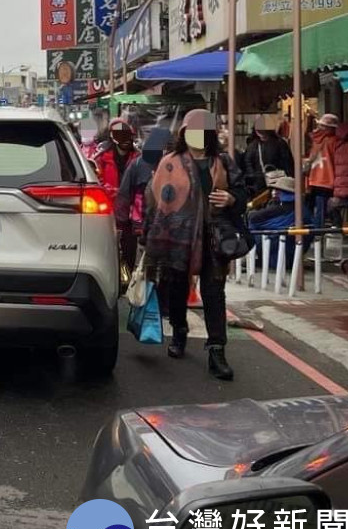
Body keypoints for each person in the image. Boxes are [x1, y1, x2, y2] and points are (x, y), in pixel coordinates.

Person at [143, 108, 249, 381]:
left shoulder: (223, 161)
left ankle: (217, 351)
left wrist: (231, 199)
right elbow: (154, 200)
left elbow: (242, 191)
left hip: (215, 237)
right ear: (184, 134)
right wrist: (148, 236)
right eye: (193, 131)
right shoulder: (170, 162)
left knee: (214, 293)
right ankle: (179, 331)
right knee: (177, 287)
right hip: (177, 237)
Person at [114, 127, 171, 278]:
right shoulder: (139, 164)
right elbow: (124, 195)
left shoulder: (138, 164)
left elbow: (124, 195)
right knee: (141, 264)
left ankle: (141, 291)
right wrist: (121, 223)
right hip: (142, 226)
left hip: (147, 225)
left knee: (145, 266)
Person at [242, 117, 294, 197]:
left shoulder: (252, 145)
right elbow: (288, 164)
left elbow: (247, 163)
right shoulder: (280, 143)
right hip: (278, 182)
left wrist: (254, 178)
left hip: (258, 185)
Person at [305, 113, 339, 227]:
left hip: (313, 178)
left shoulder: (315, 140)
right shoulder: (335, 141)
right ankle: (318, 233)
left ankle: (311, 233)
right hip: (327, 178)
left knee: (311, 207)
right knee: (325, 209)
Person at [95, 118, 137, 202]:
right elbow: (98, 182)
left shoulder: (137, 157)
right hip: (109, 203)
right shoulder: (102, 157)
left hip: (132, 205)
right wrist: (113, 191)